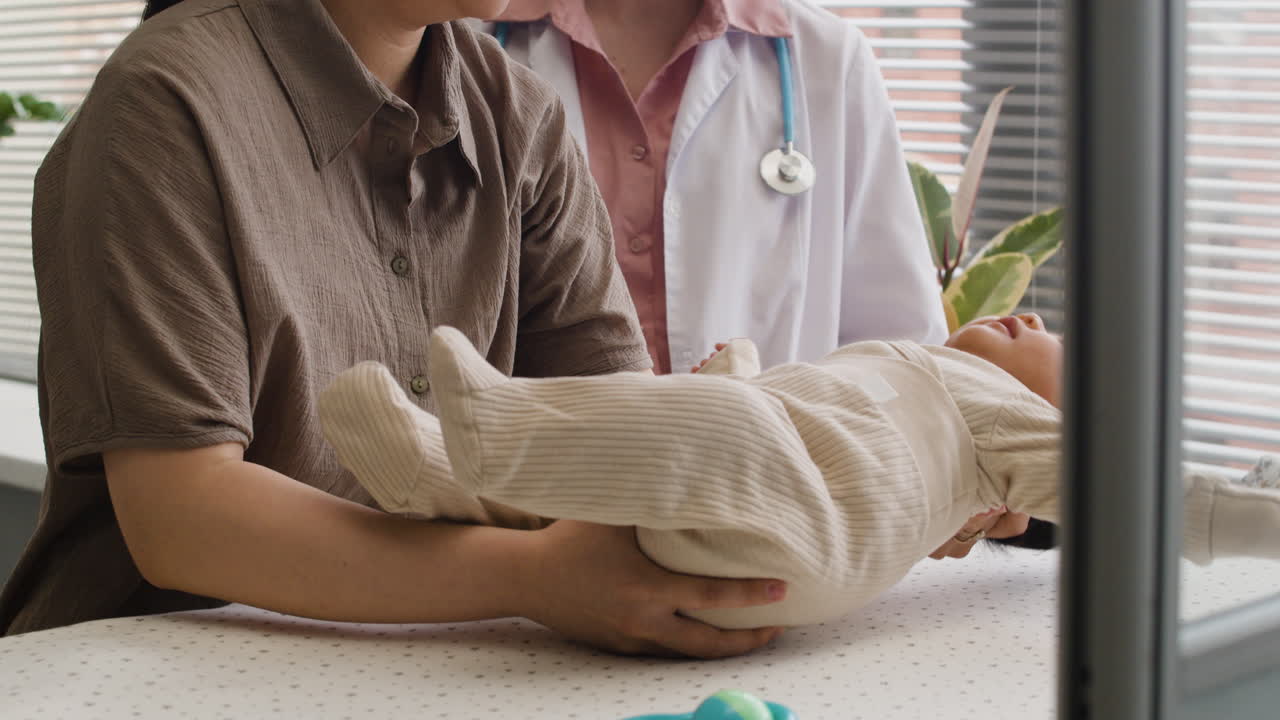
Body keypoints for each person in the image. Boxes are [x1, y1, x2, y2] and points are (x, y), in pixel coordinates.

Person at [0, 0, 793, 659]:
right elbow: (182, 519)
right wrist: (532, 574)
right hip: (155, 673)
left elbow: (615, 435)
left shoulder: (519, 116)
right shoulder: (164, 101)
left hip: (444, 668)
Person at [475, 0, 1035, 550]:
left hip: (775, 528)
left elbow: (903, 355)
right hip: (522, 541)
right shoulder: (463, 40)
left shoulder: (824, 56)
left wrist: (955, 496)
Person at [318, 314, 1280, 627]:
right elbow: (788, 396)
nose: (1035, 318)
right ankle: (434, 471)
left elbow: (1159, 502)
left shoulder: (1008, 432)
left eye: (1063, 345)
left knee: (724, 432)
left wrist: (1263, 517)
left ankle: (499, 428)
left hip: (813, 532)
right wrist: (734, 365)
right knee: (655, 462)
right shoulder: (905, 356)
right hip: (766, 470)